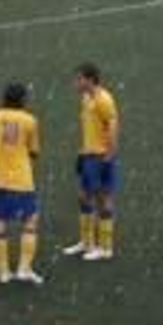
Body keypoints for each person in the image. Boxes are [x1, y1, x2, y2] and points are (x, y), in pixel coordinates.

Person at [0, 81, 43, 285]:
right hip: (20, 178)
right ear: (23, 100)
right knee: (30, 221)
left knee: (0, 222)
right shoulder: (29, 121)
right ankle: (24, 269)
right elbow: (34, 152)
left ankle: (4, 272)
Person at [62, 62, 120, 261]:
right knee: (83, 197)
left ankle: (105, 247)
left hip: (100, 156)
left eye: (79, 79)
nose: (75, 83)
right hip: (87, 155)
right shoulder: (86, 98)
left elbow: (112, 125)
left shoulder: (104, 100)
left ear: (89, 79)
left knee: (103, 199)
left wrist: (110, 154)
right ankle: (87, 242)